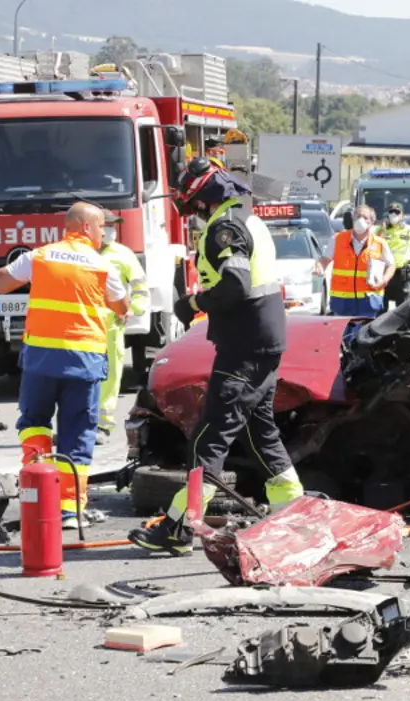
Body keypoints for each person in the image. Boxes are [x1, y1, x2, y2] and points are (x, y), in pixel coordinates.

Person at [129, 164, 304, 555]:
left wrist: (192, 303)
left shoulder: (226, 227)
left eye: (194, 208)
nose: (195, 217)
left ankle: (179, 529)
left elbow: (235, 284)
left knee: (210, 438)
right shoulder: (247, 218)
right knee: (262, 434)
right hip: (264, 339)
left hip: (244, 345)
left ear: (205, 200)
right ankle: (292, 514)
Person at [0, 203, 129, 530]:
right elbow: (121, 305)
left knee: (35, 423)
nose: (103, 233)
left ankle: (38, 497)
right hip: (84, 360)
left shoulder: (40, 256)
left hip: (41, 360)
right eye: (101, 227)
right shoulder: (102, 265)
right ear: (86, 228)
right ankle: (67, 510)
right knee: (78, 432)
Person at [95, 222, 149, 445]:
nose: (108, 230)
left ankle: (103, 425)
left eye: (111, 226)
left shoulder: (122, 254)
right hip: (84, 324)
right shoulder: (82, 252)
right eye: (104, 225)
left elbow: (140, 286)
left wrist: (132, 310)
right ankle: (82, 424)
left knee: (110, 376)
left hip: (111, 325)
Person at [314, 204, 395, 318]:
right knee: (343, 335)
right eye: (357, 217)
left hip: (368, 302)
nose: (360, 220)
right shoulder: (338, 239)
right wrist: (319, 266)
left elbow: (391, 265)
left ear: (371, 222)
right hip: (342, 302)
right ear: (353, 220)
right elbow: (324, 259)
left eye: (365, 217)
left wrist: (384, 280)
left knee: (364, 335)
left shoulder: (379, 243)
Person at [380, 201, 410, 312]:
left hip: (401, 274)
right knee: (381, 309)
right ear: (387, 214)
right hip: (385, 273)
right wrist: (382, 229)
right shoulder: (382, 230)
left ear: (402, 215)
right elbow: (374, 243)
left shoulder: (409, 230)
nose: (394, 215)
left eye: (397, 212)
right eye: (391, 212)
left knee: (403, 310)